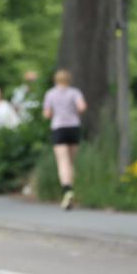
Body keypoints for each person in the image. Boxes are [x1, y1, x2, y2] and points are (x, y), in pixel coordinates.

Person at [43, 69, 87, 210]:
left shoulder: (50, 93)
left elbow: (47, 114)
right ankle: (71, 192)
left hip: (59, 127)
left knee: (63, 162)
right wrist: (72, 112)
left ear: (56, 79)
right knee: (71, 162)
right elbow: (82, 107)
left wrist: (57, 112)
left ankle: (67, 191)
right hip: (73, 127)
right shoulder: (74, 92)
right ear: (69, 79)